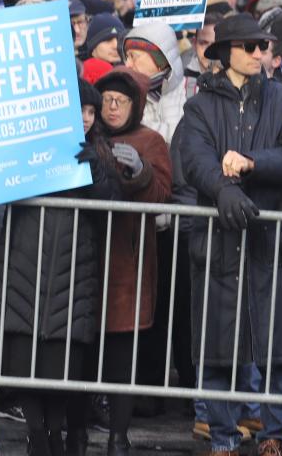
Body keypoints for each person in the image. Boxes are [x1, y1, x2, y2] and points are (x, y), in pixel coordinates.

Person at [179, 13, 282, 456]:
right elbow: (194, 159)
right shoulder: (199, 105)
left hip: (273, 241)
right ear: (226, 52)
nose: (261, 53)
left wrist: (252, 163)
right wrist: (222, 190)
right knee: (217, 349)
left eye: (265, 46)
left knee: (279, 348)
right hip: (219, 242)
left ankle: (276, 435)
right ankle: (221, 438)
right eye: (251, 46)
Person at [0, 79, 116, 456]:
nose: (87, 118)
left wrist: (98, 173)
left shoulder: (98, 151)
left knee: (61, 363)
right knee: (24, 358)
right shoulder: (29, 147)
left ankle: (53, 434)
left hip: (73, 269)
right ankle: (37, 433)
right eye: (80, 109)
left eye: (92, 111)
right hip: (25, 261)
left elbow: (113, 203)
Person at [87, 67, 171, 455]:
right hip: (86, 255)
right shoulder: (88, 136)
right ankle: (78, 430)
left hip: (128, 260)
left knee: (122, 352)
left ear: (137, 104)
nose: (113, 106)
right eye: (107, 100)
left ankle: (118, 436)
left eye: (121, 100)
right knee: (84, 348)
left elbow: (161, 197)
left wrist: (140, 172)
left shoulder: (151, 141)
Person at [122, 22, 185, 145]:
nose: (127, 64)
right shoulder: (128, 96)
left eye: (133, 56)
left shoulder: (191, 90)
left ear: (160, 60)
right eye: (127, 56)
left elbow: (191, 139)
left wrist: (140, 128)